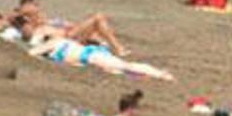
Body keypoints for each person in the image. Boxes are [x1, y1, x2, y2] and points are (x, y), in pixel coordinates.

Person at [11, 0, 131, 56]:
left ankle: (113, 46)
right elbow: (17, 18)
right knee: (98, 17)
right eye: (36, 5)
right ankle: (118, 48)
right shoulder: (25, 20)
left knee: (96, 28)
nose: (39, 10)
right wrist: (26, 14)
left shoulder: (40, 18)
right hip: (67, 38)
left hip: (69, 33)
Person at [28, 36, 175, 80]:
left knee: (125, 66)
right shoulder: (62, 43)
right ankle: (151, 74)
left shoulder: (55, 43)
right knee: (120, 70)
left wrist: (40, 55)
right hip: (88, 57)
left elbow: (31, 53)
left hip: (90, 55)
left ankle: (160, 74)